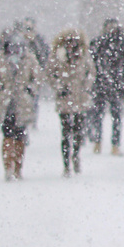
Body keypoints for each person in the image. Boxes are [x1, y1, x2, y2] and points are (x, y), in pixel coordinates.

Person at [0, 34, 40, 180]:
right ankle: (8, 166)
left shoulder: (29, 59)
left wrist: (29, 89)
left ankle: (18, 167)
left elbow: (37, 78)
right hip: (6, 103)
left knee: (20, 136)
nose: (15, 50)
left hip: (22, 103)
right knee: (7, 135)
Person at [46, 28, 95, 177]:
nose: (71, 44)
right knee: (66, 132)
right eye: (68, 41)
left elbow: (91, 72)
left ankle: (76, 155)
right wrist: (59, 87)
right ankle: (66, 163)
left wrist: (86, 87)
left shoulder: (84, 55)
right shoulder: (57, 56)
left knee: (79, 131)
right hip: (64, 99)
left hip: (80, 98)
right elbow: (50, 73)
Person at [89, 18, 124, 156]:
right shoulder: (118, 44)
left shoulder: (104, 43)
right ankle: (103, 143)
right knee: (104, 116)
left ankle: (106, 144)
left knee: (105, 116)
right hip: (107, 84)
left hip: (107, 85)